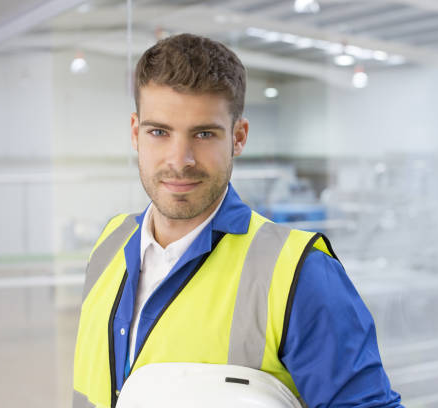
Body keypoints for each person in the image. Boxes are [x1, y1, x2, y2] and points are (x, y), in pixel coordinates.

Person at [73, 33, 403, 408]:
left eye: (203, 134)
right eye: (159, 132)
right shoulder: (111, 242)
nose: (180, 159)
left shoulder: (297, 272)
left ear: (239, 137)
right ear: (136, 132)